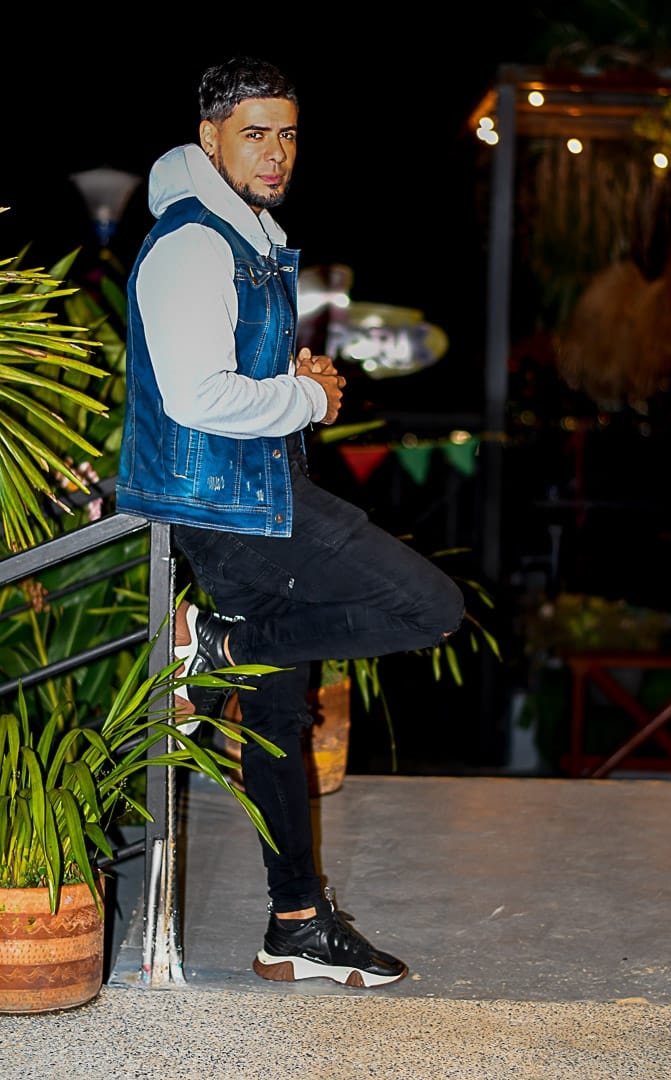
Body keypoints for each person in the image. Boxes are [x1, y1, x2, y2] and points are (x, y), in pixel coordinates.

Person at [116, 54, 465, 989]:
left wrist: (294, 383)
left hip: (243, 496)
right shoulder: (195, 243)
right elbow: (196, 397)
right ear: (210, 139)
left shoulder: (245, 236)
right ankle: (218, 646)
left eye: (289, 135)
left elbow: (229, 379)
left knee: (277, 712)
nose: (276, 153)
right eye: (255, 134)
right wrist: (306, 400)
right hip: (231, 507)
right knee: (428, 607)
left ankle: (296, 923)